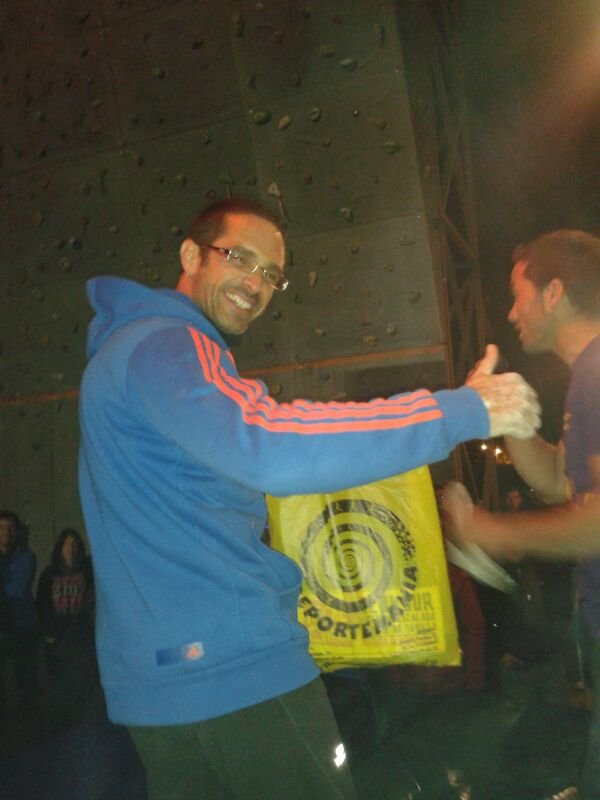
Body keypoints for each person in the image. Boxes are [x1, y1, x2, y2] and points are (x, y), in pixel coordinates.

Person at [77, 196, 541, 800]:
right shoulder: (169, 345)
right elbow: (269, 443)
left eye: (271, 274)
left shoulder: (123, 354)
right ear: (191, 255)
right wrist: (460, 410)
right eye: (239, 258)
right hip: (235, 669)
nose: (256, 284)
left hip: (163, 680)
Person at [445, 229, 600, 799]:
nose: (511, 313)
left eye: (518, 295)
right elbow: (560, 481)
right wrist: (505, 417)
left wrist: (492, 531)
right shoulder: (587, 376)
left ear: (553, 293)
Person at [36, 527, 96, 731]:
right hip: (57, 636)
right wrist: (47, 634)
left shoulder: (86, 572)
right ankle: (59, 725)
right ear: (60, 548)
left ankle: (82, 724)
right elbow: (42, 604)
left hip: (80, 634)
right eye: (68, 544)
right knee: (58, 682)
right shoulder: (49, 574)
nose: (72, 548)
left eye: (75, 545)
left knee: (81, 681)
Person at [0, 510, 39, 733]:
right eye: (1, 528)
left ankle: (31, 731)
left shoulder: (24, 557)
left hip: (21, 629)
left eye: (10, 528)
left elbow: (15, 590)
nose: (6, 532)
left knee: (26, 682)